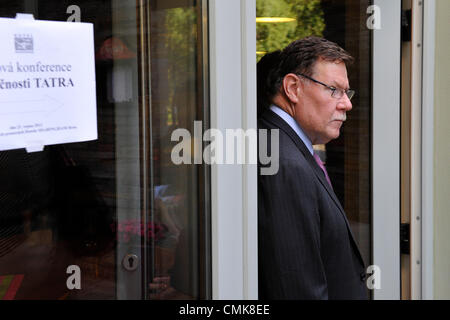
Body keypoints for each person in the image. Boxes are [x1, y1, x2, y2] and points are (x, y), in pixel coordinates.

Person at [257, 36, 368, 299]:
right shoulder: (285, 163)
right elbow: (295, 283)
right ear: (293, 88)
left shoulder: (284, 145)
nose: (347, 104)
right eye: (334, 90)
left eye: (346, 92)